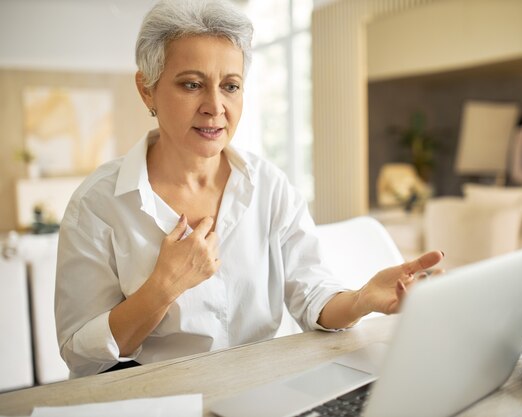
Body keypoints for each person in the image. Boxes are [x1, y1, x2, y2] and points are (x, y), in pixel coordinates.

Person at [55, 0, 444, 378]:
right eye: (192, 84)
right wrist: (163, 288)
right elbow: (82, 355)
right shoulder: (97, 204)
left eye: (230, 86)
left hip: (262, 388)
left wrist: (361, 300)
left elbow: (311, 297)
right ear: (147, 90)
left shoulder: (270, 186)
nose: (215, 106)